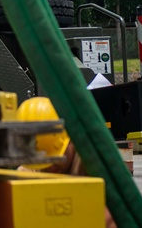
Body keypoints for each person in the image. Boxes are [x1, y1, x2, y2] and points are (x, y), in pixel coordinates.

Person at [17, 96, 117, 228]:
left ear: (69, 138)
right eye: (43, 163)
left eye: (55, 159)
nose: (50, 167)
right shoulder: (26, 173)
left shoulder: (93, 165)